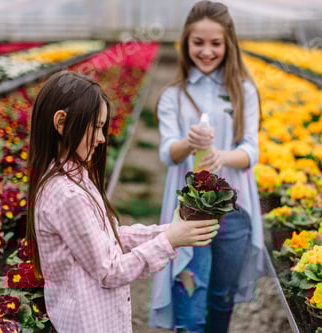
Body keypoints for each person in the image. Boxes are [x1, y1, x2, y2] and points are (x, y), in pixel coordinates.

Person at [25, 71, 220, 333]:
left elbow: (109, 239)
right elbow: (110, 271)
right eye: (95, 127)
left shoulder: (75, 176)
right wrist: (170, 240)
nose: (102, 138)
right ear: (61, 122)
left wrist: (168, 232)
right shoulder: (67, 195)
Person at [149, 1, 265, 332]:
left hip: (234, 212)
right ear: (186, 43)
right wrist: (190, 143)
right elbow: (167, 152)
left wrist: (221, 156)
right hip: (190, 213)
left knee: (220, 298)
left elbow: (251, 151)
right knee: (189, 297)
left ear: (229, 43)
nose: (207, 51)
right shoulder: (174, 95)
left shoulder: (243, 91)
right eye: (198, 42)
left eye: (216, 43)